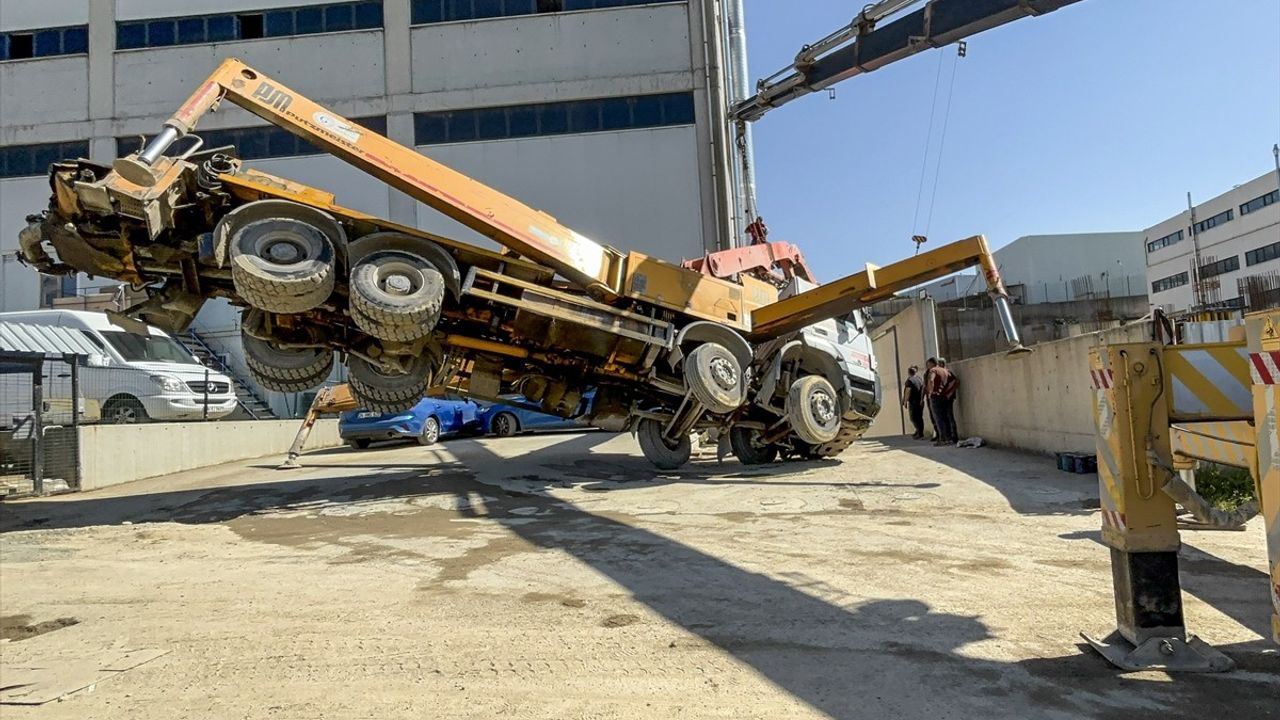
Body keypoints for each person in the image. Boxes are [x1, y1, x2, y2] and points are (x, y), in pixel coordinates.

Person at [924, 357, 955, 446]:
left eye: (928, 364)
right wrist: (949, 392)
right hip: (944, 397)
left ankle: (943, 439)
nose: (927, 366)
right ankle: (949, 438)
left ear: (932, 363)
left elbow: (931, 380)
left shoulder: (933, 370)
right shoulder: (945, 371)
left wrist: (930, 392)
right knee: (946, 418)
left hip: (935, 397)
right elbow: (953, 381)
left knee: (938, 418)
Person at [937, 358, 960, 444]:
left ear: (942, 364)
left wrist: (950, 392)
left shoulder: (948, 372)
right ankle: (948, 436)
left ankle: (954, 436)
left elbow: (957, 381)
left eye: (939, 364)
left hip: (948, 398)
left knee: (950, 416)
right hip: (943, 398)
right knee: (946, 416)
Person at [901, 365, 925, 439]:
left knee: (913, 418)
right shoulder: (919, 379)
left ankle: (919, 432)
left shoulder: (909, 380)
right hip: (920, 401)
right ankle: (919, 431)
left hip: (913, 402)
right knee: (919, 417)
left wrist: (905, 402)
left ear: (909, 372)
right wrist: (922, 399)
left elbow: (908, 391)